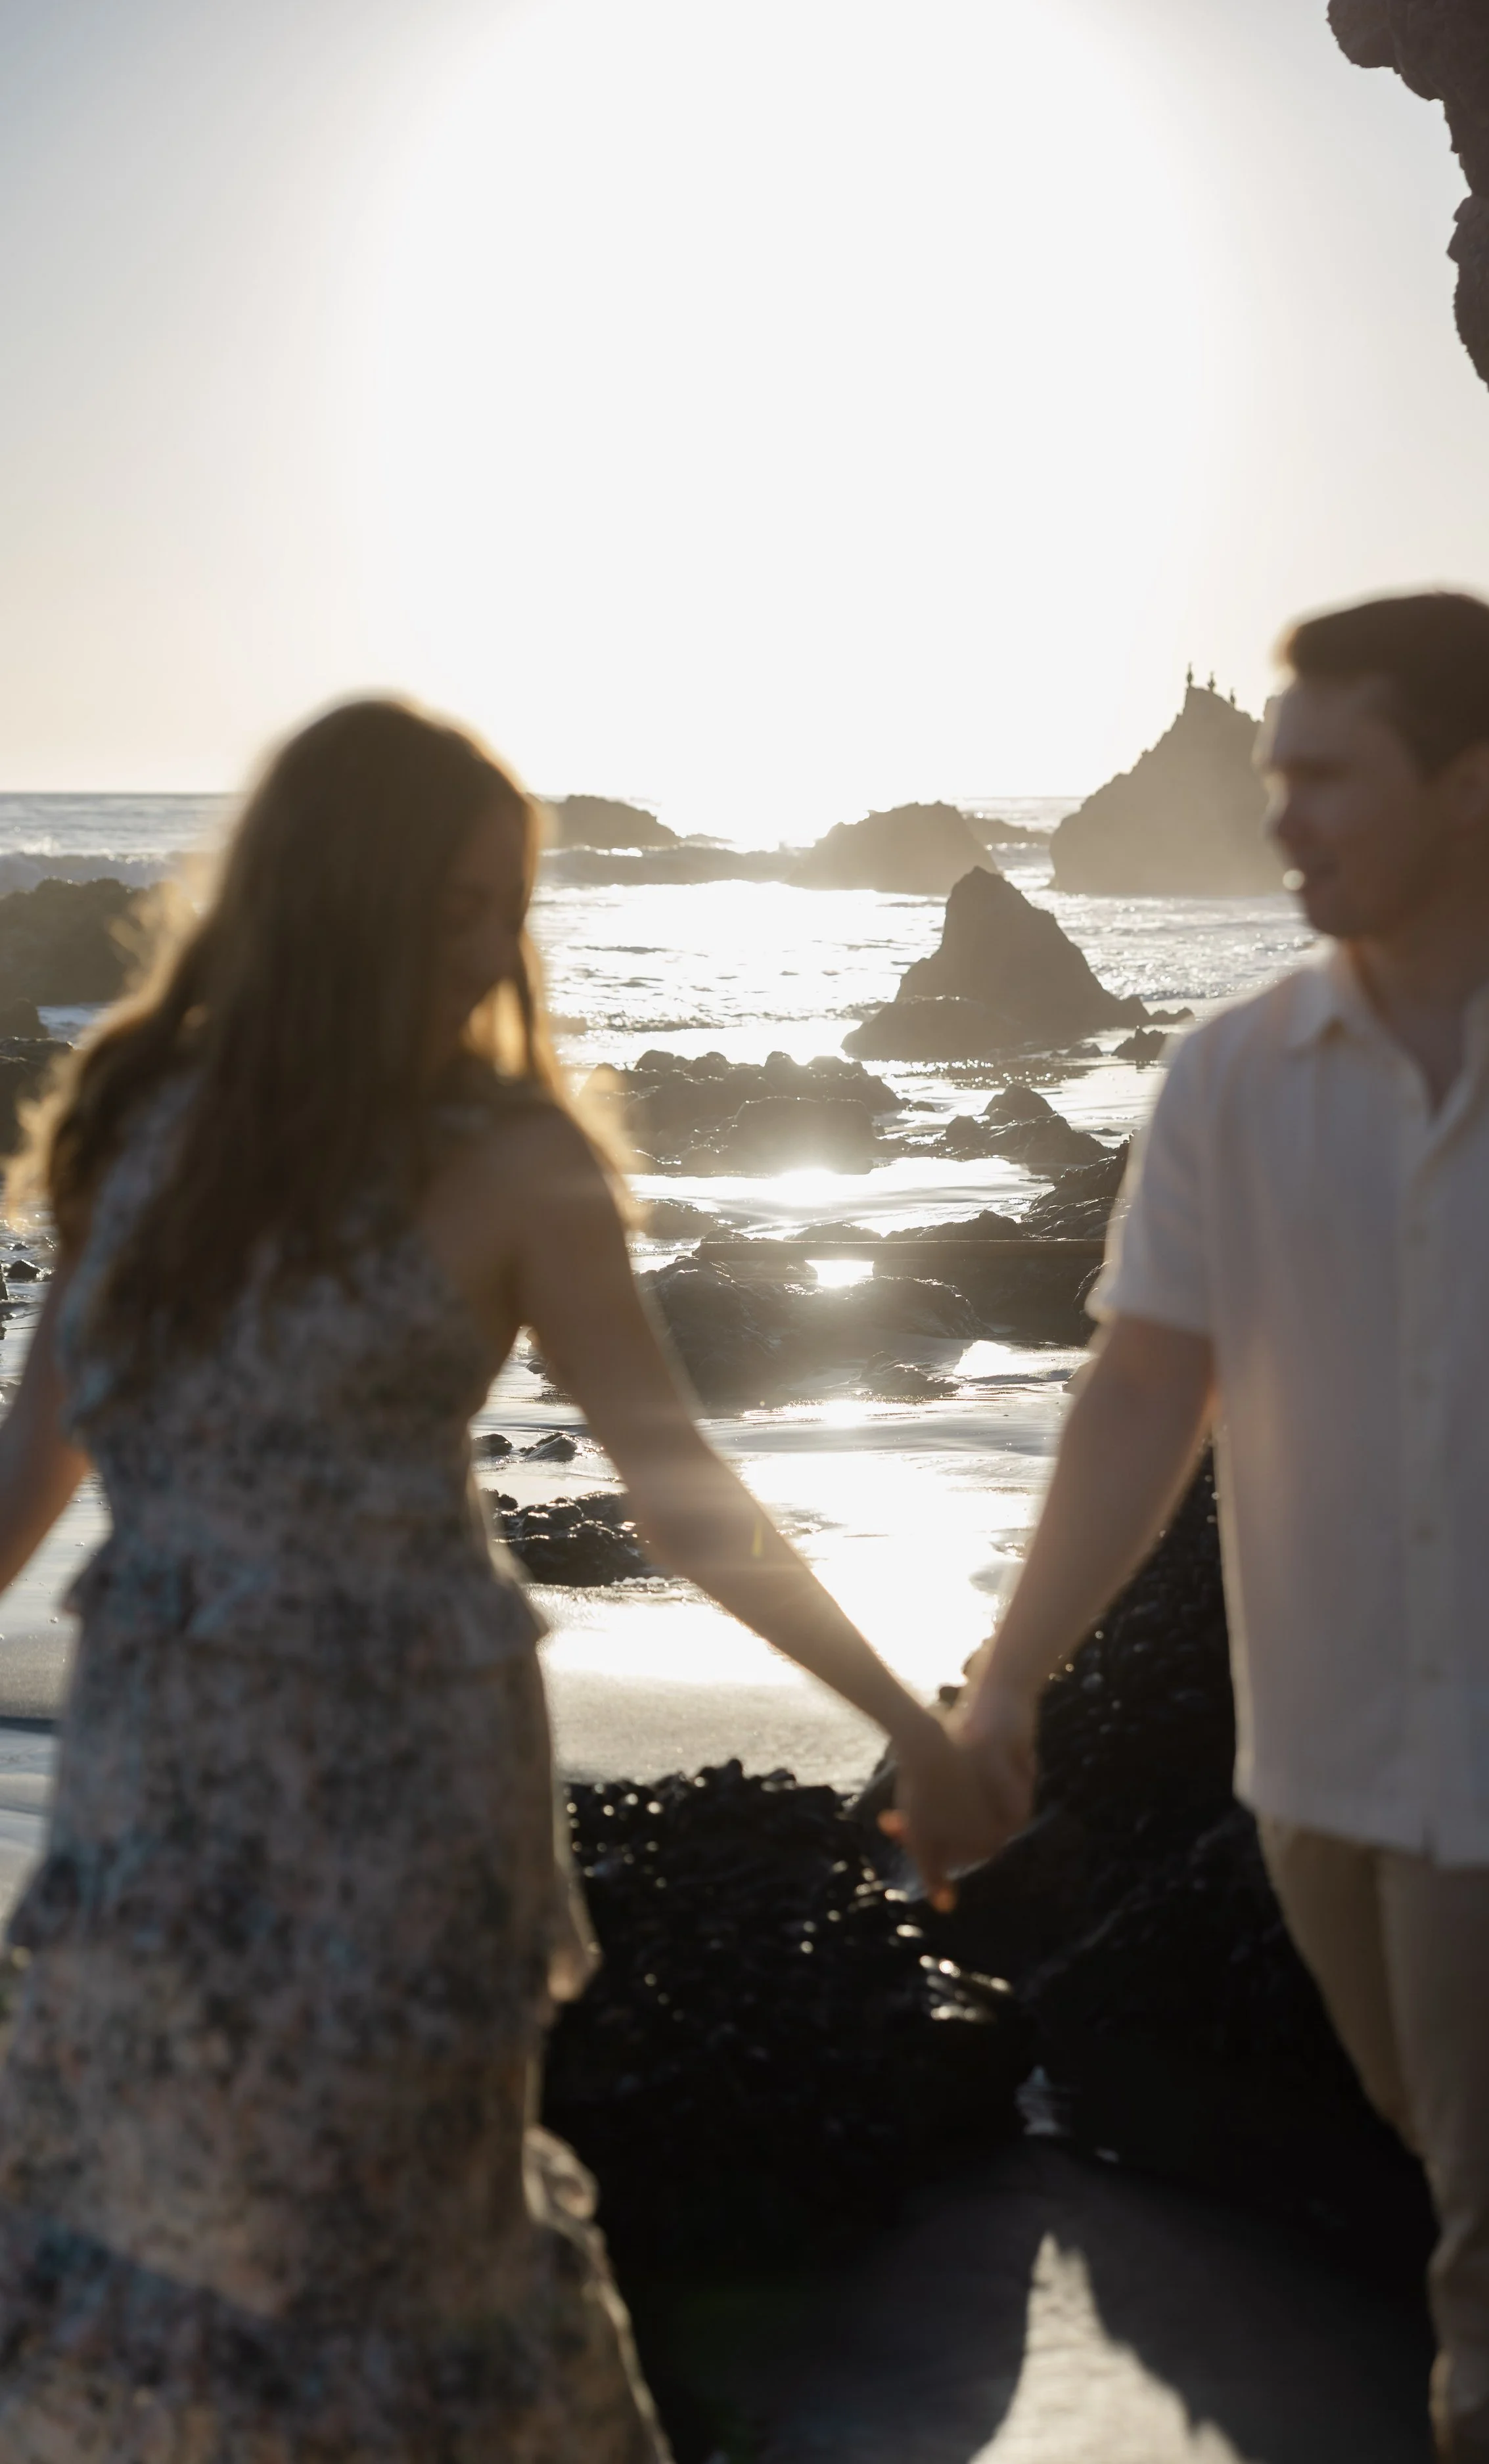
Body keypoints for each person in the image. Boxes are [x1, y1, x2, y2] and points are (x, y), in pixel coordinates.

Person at [0, 697, 978, 2460]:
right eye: (453, 899)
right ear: (336, 892)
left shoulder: (515, 1160)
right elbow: (27, 1477)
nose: (489, 942)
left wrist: (912, 1719)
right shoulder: (130, 1121)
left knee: (407, 2274)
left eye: (505, 900)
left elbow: (683, 1501)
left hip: (409, 1806)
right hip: (153, 1801)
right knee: (144, 2264)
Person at [900, 592, 1489, 2463]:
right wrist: (1001, 1692)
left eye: (1324, 775)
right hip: (1312, 1776)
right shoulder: (1228, 1077)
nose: (1282, 817)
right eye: (1272, 776)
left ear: (1474, 786)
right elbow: (1143, 1395)